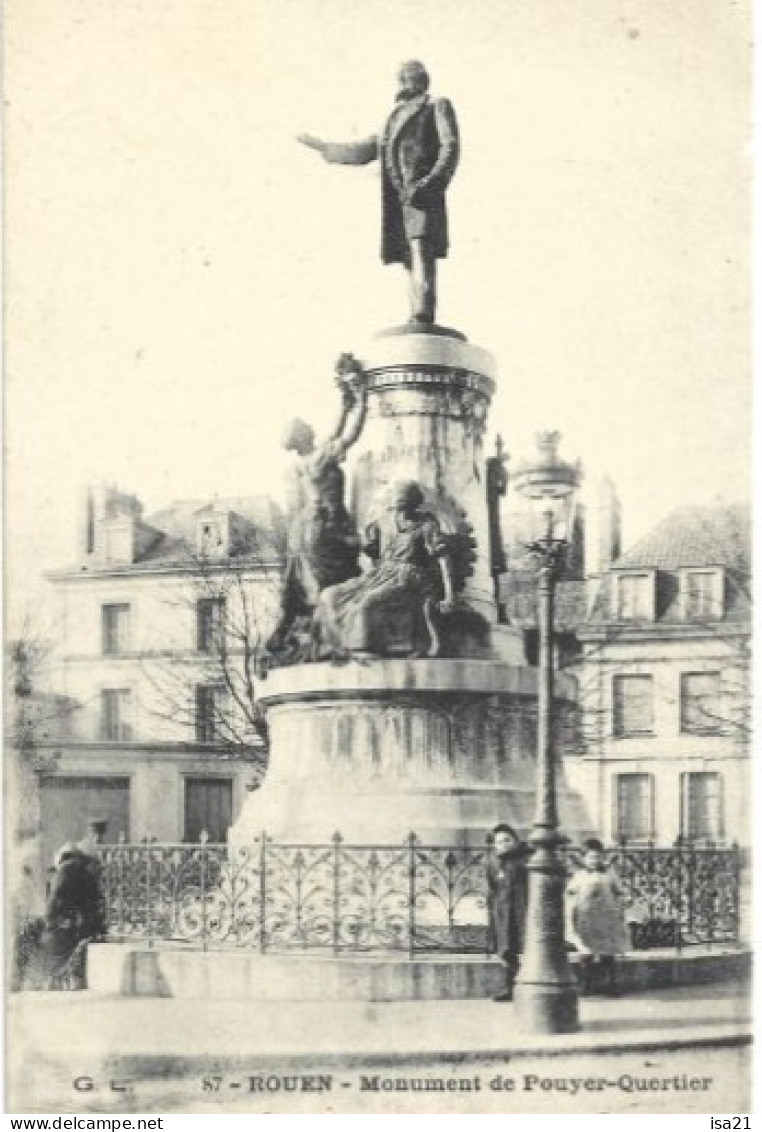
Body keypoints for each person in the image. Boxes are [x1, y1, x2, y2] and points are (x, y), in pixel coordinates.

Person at [298, 60, 460, 326]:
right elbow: (363, 151)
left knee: (421, 251)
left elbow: (450, 147)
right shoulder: (392, 120)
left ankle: (423, 314)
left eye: (409, 77)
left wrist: (431, 184)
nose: (405, 82)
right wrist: (324, 147)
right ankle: (418, 314)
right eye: (403, 77)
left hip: (421, 194)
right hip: (399, 200)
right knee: (410, 258)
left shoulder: (435, 105)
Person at [311, 479, 456, 658]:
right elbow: (366, 547)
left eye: (404, 499)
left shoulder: (426, 525)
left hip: (409, 578)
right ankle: (332, 646)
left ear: (414, 502)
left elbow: (443, 559)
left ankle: (363, 648)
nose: (399, 502)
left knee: (367, 605)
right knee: (329, 595)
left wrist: (449, 595)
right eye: (397, 498)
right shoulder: (383, 522)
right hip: (380, 574)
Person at [566, 837, 630, 995]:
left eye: (598, 857)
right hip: (586, 917)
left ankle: (611, 984)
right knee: (586, 952)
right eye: (591, 857)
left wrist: (625, 899)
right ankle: (586, 984)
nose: (595, 860)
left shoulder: (609, 873)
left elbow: (619, 890)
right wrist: (570, 903)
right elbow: (570, 892)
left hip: (606, 917)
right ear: (584, 858)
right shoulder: (579, 875)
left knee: (608, 952)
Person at [39, 843, 106, 990]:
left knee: (59, 956)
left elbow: (56, 899)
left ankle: (57, 982)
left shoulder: (64, 871)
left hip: (62, 921)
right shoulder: (77, 871)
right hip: (71, 922)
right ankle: (66, 981)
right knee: (65, 954)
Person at [486, 824, 530, 1002]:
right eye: (499, 842)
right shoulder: (493, 862)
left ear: (515, 841)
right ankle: (510, 987)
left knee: (527, 948)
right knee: (505, 950)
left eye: (507, 840)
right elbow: (492, 888)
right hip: (503, 911)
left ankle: (526, 986)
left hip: (522, 910)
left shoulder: (525, 860)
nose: (503, 844)